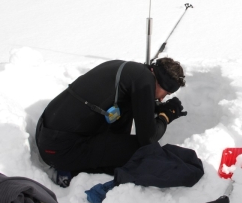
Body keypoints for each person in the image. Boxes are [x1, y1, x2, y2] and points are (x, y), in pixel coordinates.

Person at [36, 57, 187, 187]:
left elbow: (133, 107)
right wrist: (165, 116)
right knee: (140, 152)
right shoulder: (144, 82)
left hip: (47, 134)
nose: (162, 99)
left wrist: (155, 107)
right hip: (61, 150)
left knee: (124, 115)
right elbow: (148, 139)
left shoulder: (132, 71)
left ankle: (87, 162)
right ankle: (71, 172)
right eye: (166, 93)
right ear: (160, 83)